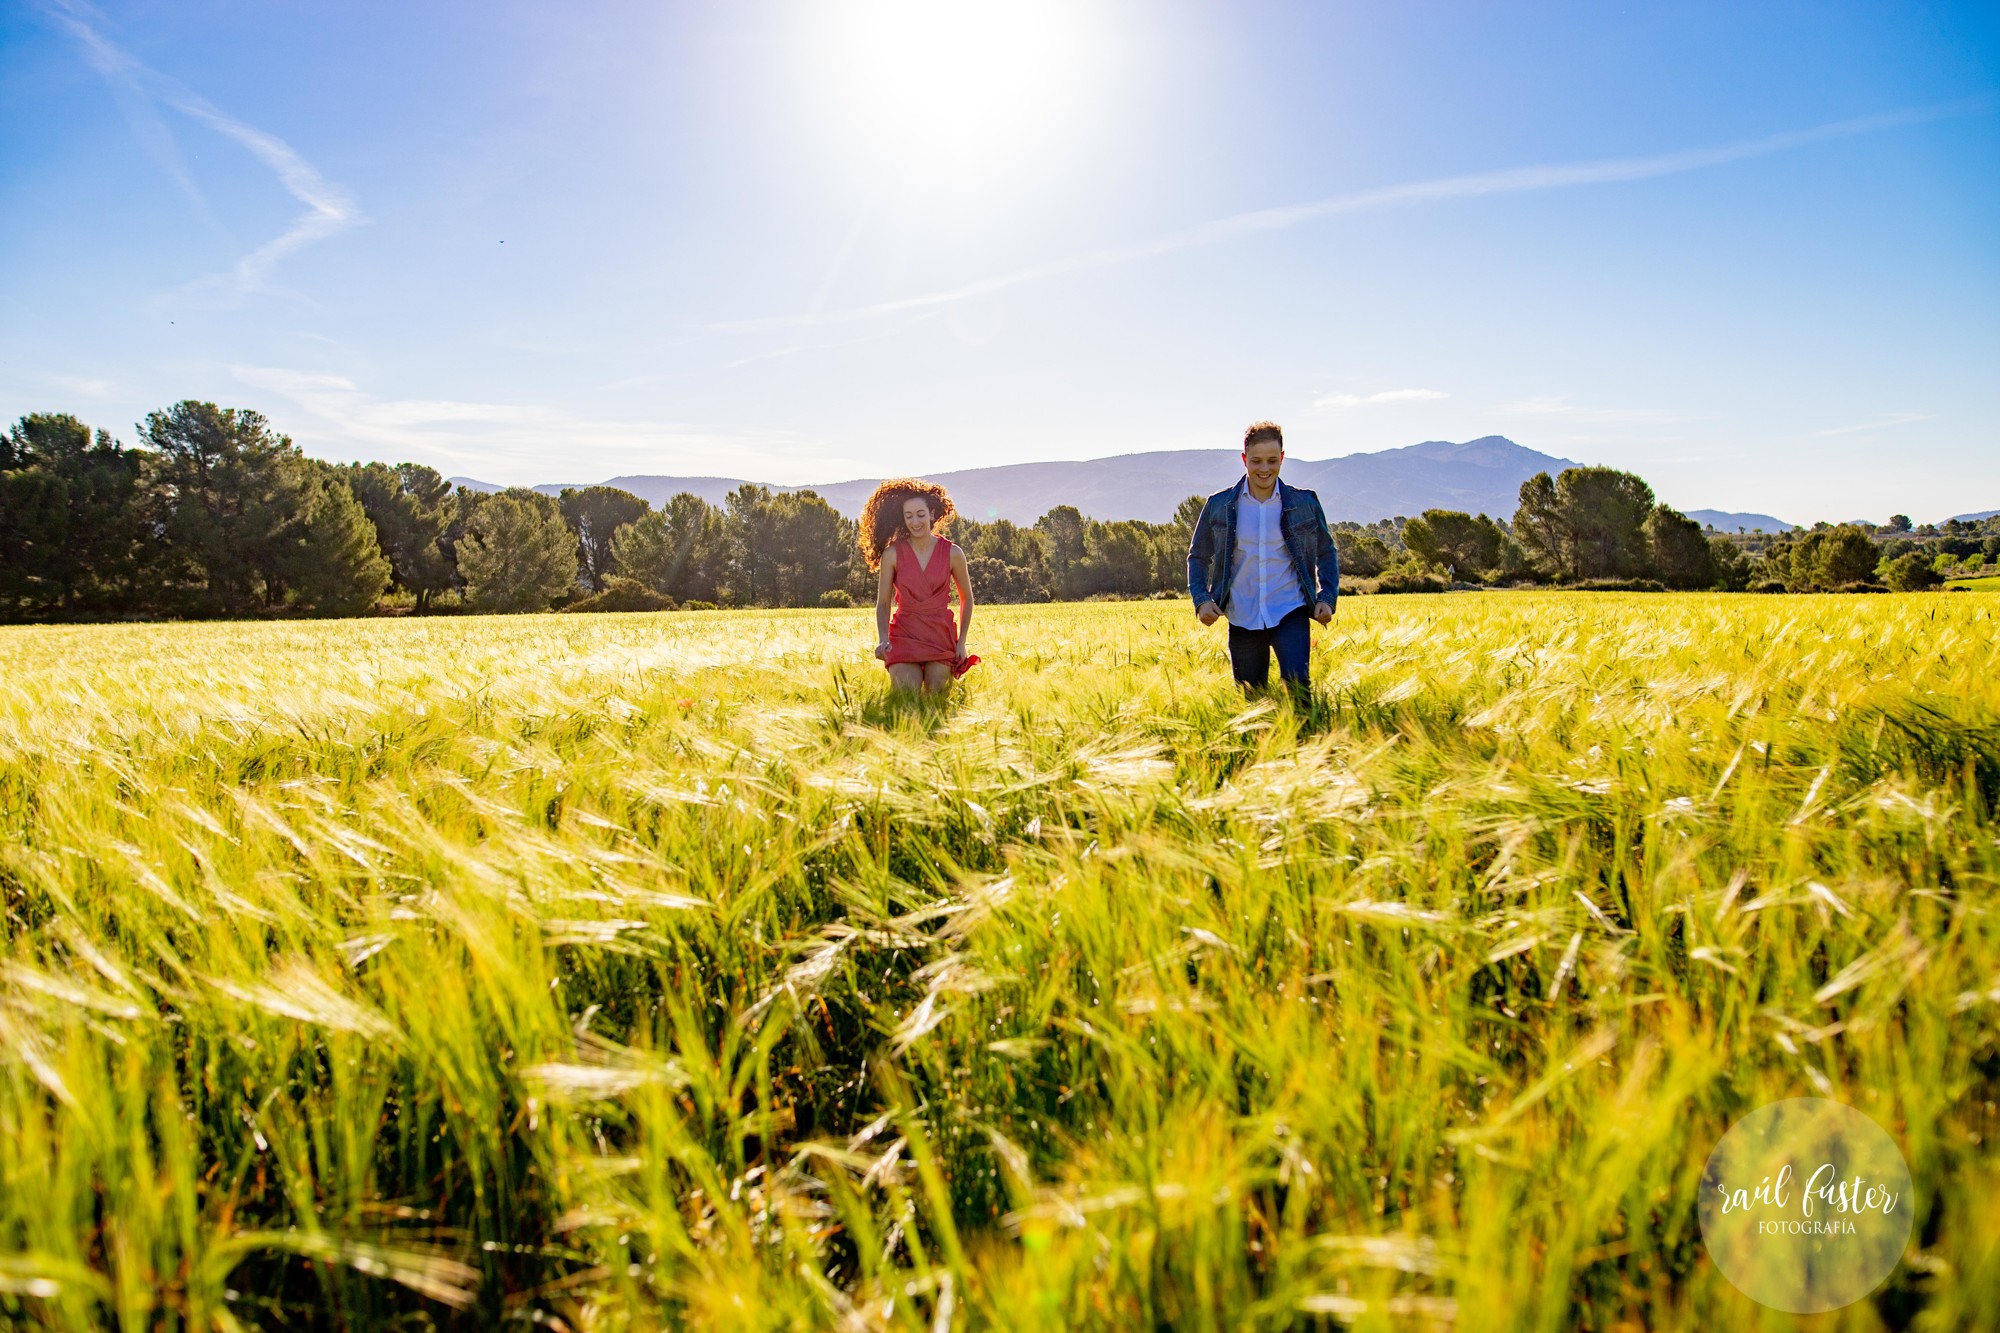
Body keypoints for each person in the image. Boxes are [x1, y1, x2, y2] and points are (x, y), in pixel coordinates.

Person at [1186, 420, 1340, 695]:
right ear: (1244, 459)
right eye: (1256, 461)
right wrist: (1201, 600)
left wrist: (1326, 597)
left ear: (1282, 458)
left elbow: (1326, 552)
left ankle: (1305, 738)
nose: (1264, 469)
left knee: (1299, 692)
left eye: (1272, 460)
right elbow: (1198, 556)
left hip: (1290, 610)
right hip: (1242, 616)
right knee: (1252, 699)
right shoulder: (1219, 505)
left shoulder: (1304, 503)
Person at [859, 478, 978, 694]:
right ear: (902, 519)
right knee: (907, 693)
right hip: (904, 634)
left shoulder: (953, 553)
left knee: (936, 694)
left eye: (920, 515)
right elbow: (883, 603)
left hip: (940, 635)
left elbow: (967, 599)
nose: (915, 522)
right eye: (909, 516)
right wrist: (883, 639)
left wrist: (961, 643)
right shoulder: (892, 554)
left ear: (932, 514)